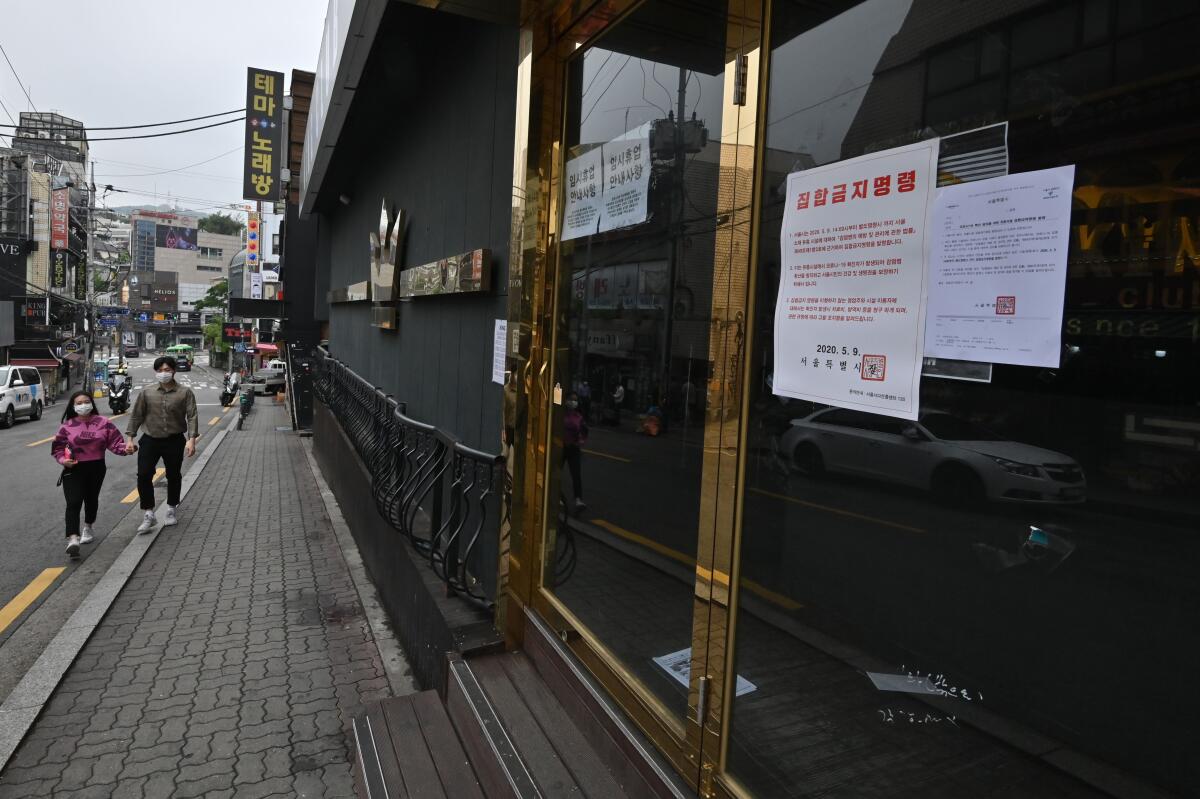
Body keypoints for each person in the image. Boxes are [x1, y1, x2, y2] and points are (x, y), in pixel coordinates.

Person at [52, 390, 133, 556]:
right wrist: (63, 460)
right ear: (73, 406)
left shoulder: (104, 423)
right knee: (73, 502)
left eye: (86, 402)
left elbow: (116, 444)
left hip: (96, 467)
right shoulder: (67, 426)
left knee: (91, 500)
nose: (83, 405)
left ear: (92, 403)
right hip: (73, 468)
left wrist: (129, 449)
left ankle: (88, 527)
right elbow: (57, 448)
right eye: (79, 403)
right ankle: (73, 538)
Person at [126, 356, 199, 533]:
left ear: (174, 371)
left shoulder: (185, 392)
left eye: (167, 370)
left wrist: (191, 440)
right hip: (150, 439)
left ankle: (171, 509)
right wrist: (130, 438)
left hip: (174, 440)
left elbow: (192, 416)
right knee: (143, 475)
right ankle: (148, 513)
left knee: (174, 475)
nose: (163, 373)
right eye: (160, 370)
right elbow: (137, 415)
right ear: (155, 372)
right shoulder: (147, 392)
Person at [563, 393, 587, 511]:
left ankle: (578, 499)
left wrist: (579, 442)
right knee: (555, 473)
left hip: (573, 448)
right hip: (561, 447)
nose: (573, 402)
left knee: (576, 475)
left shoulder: (579, 417)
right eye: (571, 399)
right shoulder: (560, 413)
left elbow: (583, 432)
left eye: (575, 400)